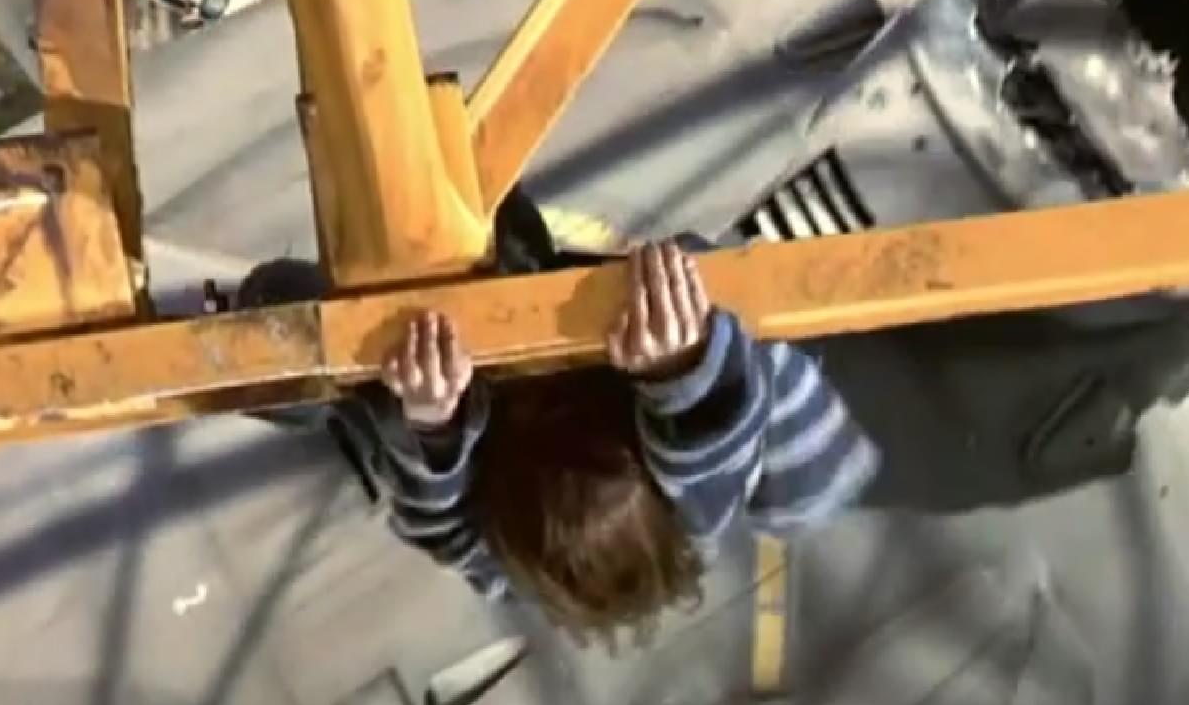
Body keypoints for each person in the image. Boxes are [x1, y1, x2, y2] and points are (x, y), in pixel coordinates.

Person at [357, 238, 878, 645]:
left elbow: (443, 529)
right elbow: (711, 443)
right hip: (716, 381)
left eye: (533, 408)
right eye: (550, 401)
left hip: (497, 402)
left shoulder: (505, 563)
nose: (538, 391)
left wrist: (436, 424)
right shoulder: (696, 504)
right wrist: (678, 365)